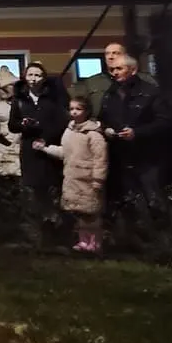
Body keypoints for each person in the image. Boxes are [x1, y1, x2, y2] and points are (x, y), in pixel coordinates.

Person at [99, 54, 172, 251]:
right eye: (112, 70)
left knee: (154, 202)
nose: (114, 73)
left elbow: (165, 122)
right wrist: (105, 129)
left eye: (119, 69)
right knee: (125, 202)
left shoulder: (150, 93)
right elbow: (102, 119)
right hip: (120, 157)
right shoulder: (109, 94)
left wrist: (137, 133)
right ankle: (132, 246)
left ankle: (164, 247)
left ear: (133, 69)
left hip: (147, 157)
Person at [35, 97, 108, 253]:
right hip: (73, 176)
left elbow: (100, 158)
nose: (74, 112)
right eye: (72, 108)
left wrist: (98, 180)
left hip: (88, 178)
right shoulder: (69, 131)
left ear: (87, 111)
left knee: (91, 213)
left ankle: (95, 242)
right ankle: (83, 241)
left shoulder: (93, 134)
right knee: (80, 213)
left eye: (78, 109)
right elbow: (65, 152)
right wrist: (45, 148)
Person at [9, 62, 69, 245]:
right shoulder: (19, 99)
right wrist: (24, 124)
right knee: (32, 192)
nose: (34, 79)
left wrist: (46, 137)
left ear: (44, 78)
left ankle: (55, 233)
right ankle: (36, 236)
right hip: (29, 149)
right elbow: (12, 125)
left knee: (51, 190)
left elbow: (61, 122)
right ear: (25, 77)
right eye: (30, 75)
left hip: (49, 148)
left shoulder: (52, 98)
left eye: (38, 75)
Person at [70, 42, 156, 118]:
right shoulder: (92, 82)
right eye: (107, 54)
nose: (110, 57)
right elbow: (81, 105)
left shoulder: (144, 79)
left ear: (125, 55)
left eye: (115, 53)